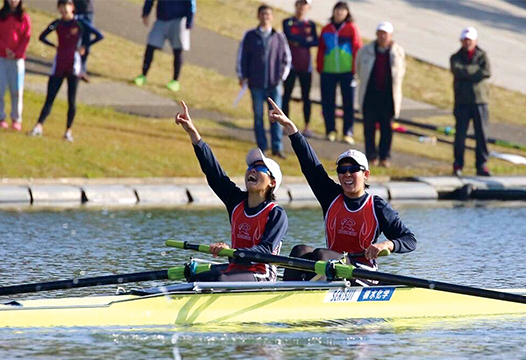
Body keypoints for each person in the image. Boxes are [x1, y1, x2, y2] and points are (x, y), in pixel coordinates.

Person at [267, 97, 416, 285]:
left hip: (363, 273)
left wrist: (387, 244)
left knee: (321, 254)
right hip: (334, 267)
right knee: (300, 251)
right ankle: (286, 296)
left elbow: (409, 239)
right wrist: (291, 130)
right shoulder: (331, 197)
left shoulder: (377, 206)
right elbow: (311, 166)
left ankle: (304, 294)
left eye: (353, 170)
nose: (347, 174)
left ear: (366, 174)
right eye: (342, 170)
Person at [175, 100, 288, 282]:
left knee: (219, 280)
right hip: (235, 269)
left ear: (272, 183)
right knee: (196, 277)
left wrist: (232, 251)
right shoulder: (236, 201)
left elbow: (266, 249)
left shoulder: (276, 214)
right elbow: (214, 174)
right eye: (250, 166)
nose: (252, 170)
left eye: (259, 168)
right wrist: (193, 134)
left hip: (262, 274)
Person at [28, 0, 103, 142]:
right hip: (59, 63)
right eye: (61, 10)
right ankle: (39, 126)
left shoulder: (80, 23)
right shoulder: (56, 23)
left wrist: (85, 46)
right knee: (50, 97)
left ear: (72, 8)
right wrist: (53, 45)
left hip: (73, 65)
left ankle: (68, 131)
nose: (63, 13)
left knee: (71, 100)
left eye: (66, 10)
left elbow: (98, 35)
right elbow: (42, 36)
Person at [237, 4, 291, 159]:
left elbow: (286, 59)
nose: (265, 17)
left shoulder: (279, 36)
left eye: (268, 14)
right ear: (258, 16)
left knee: (276, 117)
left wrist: (281, 77)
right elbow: (242, 57)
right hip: (256, 84)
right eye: (263, 14)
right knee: (259, 116)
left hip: (274, 85)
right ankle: (262, 147)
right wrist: (242, 76)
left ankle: (277, 147)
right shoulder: (250, 36)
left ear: (272, 17)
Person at [355, 21, 406, 168]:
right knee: (369, 128)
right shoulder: (366, 50)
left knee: (387, 129)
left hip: (388, 97)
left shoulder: (398, 52)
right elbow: (359, 69)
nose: (383, 36)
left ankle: (385, 156)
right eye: (380, 33)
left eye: (386, 34)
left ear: (391, 36)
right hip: (370, 95)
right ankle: (371, 156)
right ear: (376, 34)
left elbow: (401, 72)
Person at [317, 1, 362, 144]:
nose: (339, 13)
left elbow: (357, 49)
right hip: (328, 71)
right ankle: (330, 130)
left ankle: (347, 132)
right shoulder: (326, 29)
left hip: (347, 72)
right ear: (333, 12)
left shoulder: (351, 29)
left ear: (347, 13)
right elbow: (321, 49)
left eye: (342, 11)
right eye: (337, 10)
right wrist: (320, 67)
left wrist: (355, 69)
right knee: (328, 102)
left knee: (348, 103)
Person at [450, 27, 491, 177]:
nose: (468, 42)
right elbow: (457, 70)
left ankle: (482, 165)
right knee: (460, 135)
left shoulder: (482, 55)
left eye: (470, 40)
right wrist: (474, 72)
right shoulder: (455, 57)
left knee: (482, 134)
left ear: (475, 41)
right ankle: (458, 164)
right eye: (465, 40)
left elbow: (486, 72)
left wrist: (466, 72)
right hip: (462, 101)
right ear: (461, 41)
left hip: (480, 101)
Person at [134, 0, 196, 92]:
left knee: (177, 51)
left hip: (179, 19)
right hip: (162, 19)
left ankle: (175, 81)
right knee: (151, 45)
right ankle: (143, 75)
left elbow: (191, 3)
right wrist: (146, 13)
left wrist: (189, 21)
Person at [282, 0, 318, 138]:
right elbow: (288, 36)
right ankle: (285, 125)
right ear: (295, 5)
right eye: (299, 4)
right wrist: (304, 41)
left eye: (304, 5)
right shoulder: (288, 22)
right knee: (287, 95)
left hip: (305, 67)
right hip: (290, 65)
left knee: (306, 97)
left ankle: (307, 126)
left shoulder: (311, 24)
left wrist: (299, 41)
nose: (301, 7)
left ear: (308, 7)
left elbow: (315, 41)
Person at [0, 0, 31, 132]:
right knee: (0, 89)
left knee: (16, 90)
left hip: (17, 60)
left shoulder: (24, 17)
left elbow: (26, 37)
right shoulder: (2, 16)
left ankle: (16, 118)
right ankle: (1, 117)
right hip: (2, 57)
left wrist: (18, 52)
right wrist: (4, 49)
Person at [73, 0, 94, 82]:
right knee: (76, 42)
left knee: (86, 43)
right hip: (75, 10)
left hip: (88, 11)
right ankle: (74, 70)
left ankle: (82, 70)